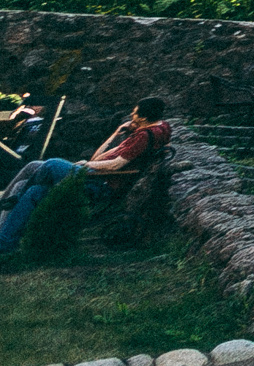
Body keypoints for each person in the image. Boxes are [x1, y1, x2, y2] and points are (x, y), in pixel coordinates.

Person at [0, 97, 171, 254]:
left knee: (51, 164)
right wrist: (116, 133)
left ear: (143, 117)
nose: (132, 114)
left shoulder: (143, 137)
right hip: (96, 175)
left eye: (134, 112)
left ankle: (8, 224)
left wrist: (84, 165)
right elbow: (98, 157)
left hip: (98, 183)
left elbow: (115, 165)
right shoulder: (155, 129)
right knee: (34, 177)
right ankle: (6, 230)